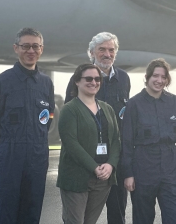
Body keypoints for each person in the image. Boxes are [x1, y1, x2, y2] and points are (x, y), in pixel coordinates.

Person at [0, 27, 55, 224]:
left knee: (32, 212)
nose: (30, 51)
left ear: (41, 49)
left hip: (37, 156)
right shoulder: (2, 82)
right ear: (16, 48)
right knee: (4, 212)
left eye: (35, 46)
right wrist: (3, 155)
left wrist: (36, 146)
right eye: (25, 46)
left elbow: (48, 117)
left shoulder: (46, 84)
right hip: (9, 156)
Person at [65, 32, 130, 224]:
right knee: (80, 215)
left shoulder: (124, 79)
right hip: (87, 156)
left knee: (118, 211)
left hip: (114, 157)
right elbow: (71, 115)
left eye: (111, 50)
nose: (107, 54)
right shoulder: (79, 77)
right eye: (102, 49)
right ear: (91, 52)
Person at [122, 58, 176, 224]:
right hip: (143, 167)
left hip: (170, 167)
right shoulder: (134, 104)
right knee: (143, 218)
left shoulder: (175, 103)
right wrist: (128, 174)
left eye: (163, 77)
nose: (159, 80)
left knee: (175, 217)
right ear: (147, 77)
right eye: (155, 76)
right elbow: (126, 141)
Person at [57, 63, 121, 224]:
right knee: (75, 221)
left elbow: (116, 140)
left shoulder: (107, 109)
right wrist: (94, 167)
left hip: (102, 179)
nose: (94, 82)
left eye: (97, 79)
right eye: (89, 78)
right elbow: (71, 143)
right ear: (77, 81)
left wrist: (111, 165)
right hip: (76, 177)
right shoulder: (69, 110)